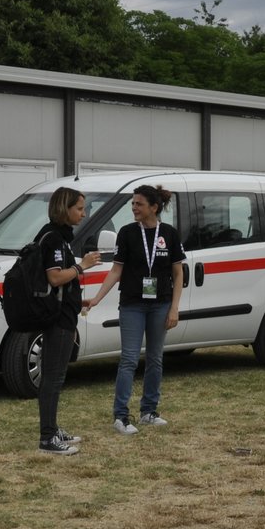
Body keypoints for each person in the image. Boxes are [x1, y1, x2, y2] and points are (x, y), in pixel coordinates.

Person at [83, 185, 187, 434]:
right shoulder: (127, 233)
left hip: (160, 304)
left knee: (155, 359)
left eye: (139, 204)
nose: (134, 208)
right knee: (129, 359)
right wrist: (96, 298)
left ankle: (148, 412)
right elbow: (116, 271)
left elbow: (178, 272)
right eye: (133, 204)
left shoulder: (169, 234)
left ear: (154, 207)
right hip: (132, 304)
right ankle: (121, 417)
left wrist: (174, 308)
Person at [37, 186, 101, 455]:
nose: (84, 214)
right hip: (56, 318)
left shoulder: (60, 237)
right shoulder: (52, 238)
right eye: (79, 208)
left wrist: (77, 300)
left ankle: (52, 428)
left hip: (64, 313)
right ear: (65, 209)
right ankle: (48, 438)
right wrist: (81, 266)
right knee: (53, 376)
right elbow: (54, 278)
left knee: (57, 375)